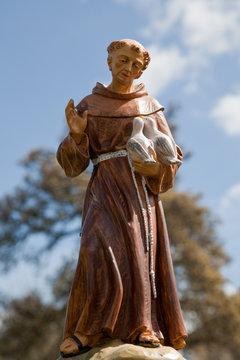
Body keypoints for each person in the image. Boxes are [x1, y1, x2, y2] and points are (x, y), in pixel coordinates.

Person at [57, 39, 187, 358]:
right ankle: (89, 329)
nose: (128, 68)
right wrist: (76, 136)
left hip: (139, 193)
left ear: (141, 70)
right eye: (123, 60)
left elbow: (171, 159)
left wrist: (154, 168)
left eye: (135, 65)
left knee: (139, 254)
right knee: (94, 250)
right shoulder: (91, 103)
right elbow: (73, 166)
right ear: (110, 61)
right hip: (104, 188)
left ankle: (144, 324)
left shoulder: (149, 106)